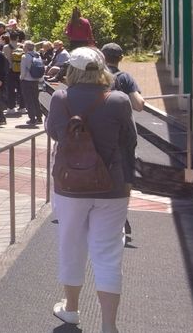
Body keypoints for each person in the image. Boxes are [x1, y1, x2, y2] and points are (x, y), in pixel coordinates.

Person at [46, 47, 137, 333]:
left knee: (71, 243)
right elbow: (130, 142)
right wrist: (128, 182)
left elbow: (54, 133)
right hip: (112, 185)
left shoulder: (60, 98)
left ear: (70, 70)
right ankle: (109, 325)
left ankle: (71, 309)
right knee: (108, 252)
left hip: (70, 185)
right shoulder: (119, 100)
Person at [100, 43, 146, 112]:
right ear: (121, 58)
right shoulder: (125, 77)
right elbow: (139, 105)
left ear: (102, 57)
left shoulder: (94, 75)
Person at [20, 41, 45, 125]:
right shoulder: (37, 55)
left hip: (27, 80)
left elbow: (23, 71)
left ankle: (32, 118)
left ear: (26, 47)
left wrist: (21, 78)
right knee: (35, 99)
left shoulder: (25, 56)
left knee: (28, 100)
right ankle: (39, 117)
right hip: (36, 80)